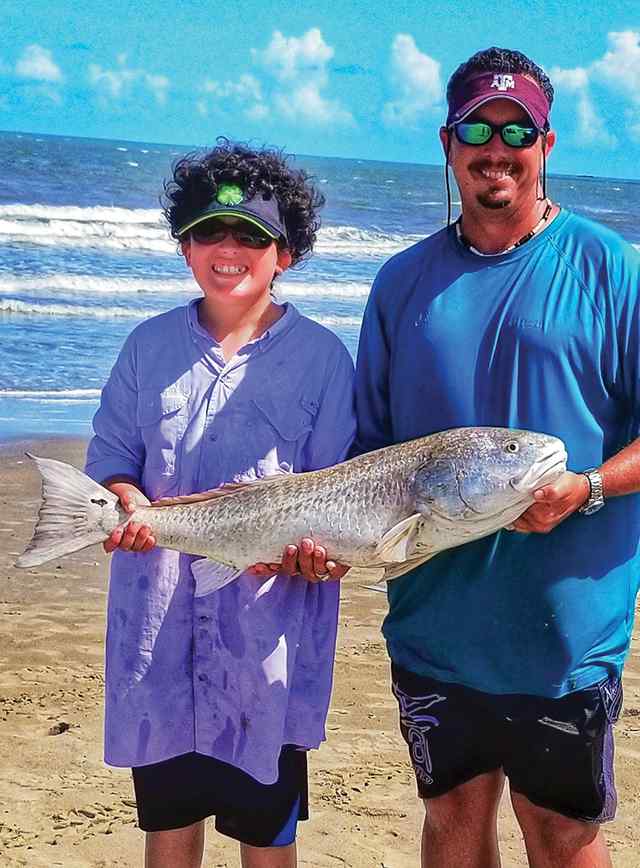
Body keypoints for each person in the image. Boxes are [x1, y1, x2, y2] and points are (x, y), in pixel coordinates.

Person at [272, 47, 640, 867]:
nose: (496, 145)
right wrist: (321, 545)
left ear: (547, 143)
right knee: (452, 822)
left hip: (564, 633)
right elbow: (364, 457)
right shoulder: (402, 283)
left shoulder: (610, 269)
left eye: (518, 128)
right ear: (448, 143)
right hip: (434, 626)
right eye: (478, 126)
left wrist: (585, 488)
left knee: (564, 832)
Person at [84, 139, 355, 868]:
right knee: (168, 834)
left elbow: (341, 505)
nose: (227, 249)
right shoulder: (145, 350)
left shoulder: (326, 362)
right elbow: (111, 462)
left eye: (251, 236)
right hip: (158, 640)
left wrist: (319, 560)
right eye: (209, 231)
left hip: (266, 652)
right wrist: (124, 500)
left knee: (267, 838)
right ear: (184, 246)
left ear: (285, 253)